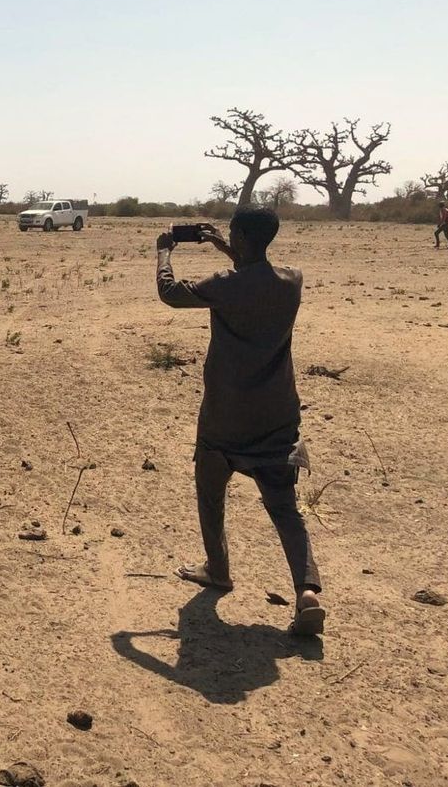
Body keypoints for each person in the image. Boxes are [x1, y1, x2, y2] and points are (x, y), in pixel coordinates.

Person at [156, 206, 324, 635]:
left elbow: (170, 293)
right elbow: (256, 272)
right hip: (278, 416)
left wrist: (163, 253)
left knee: (211, 493)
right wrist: (223, 245)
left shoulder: (223, 286)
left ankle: (218, 568)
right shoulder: (292, 280)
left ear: (243, 238)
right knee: (285, 509)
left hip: (225, 416)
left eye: (233, 234)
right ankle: (306, 592)